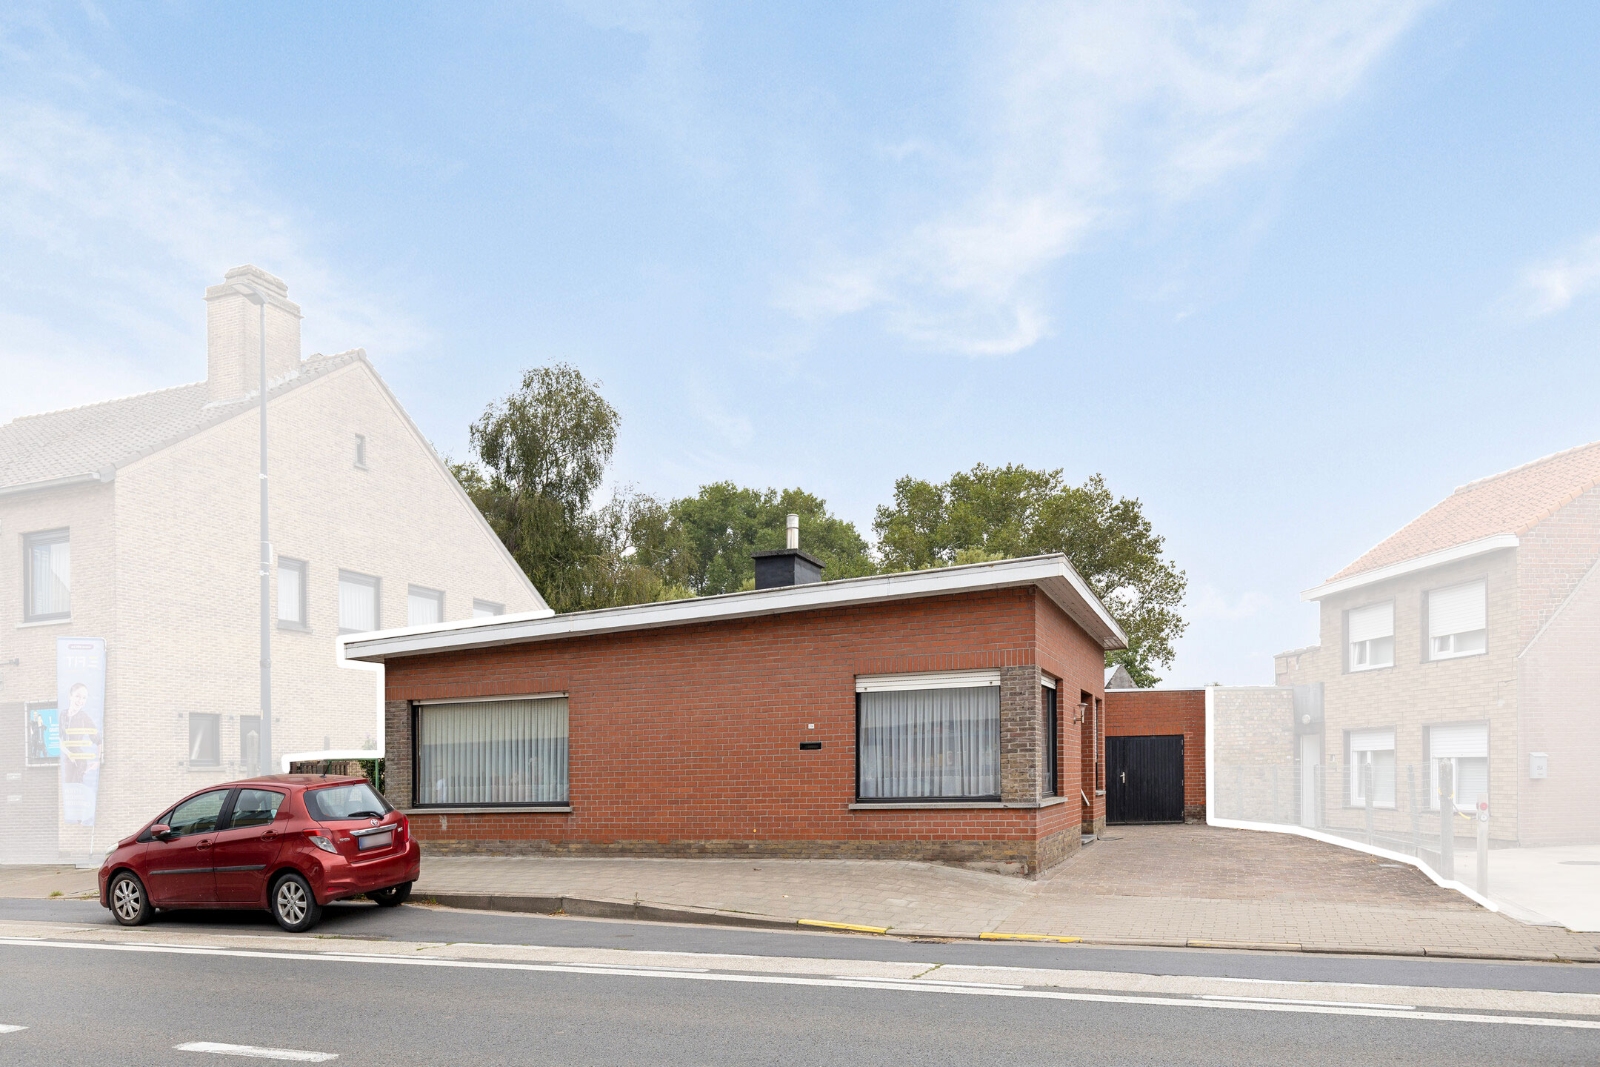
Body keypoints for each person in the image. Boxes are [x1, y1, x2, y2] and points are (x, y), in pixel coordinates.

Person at [60, 682, 101, 825]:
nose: (80, 701)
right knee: (66, 789)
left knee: (75, 789)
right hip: (66, 758)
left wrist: (98, 760)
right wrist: (68, 753)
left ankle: (78, 821)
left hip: (79, 761)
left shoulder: (84, 717)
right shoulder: (63, 715)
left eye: (84, 698)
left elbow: (98, 740)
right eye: (78, 696)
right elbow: (57, 739)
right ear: (70, 696)